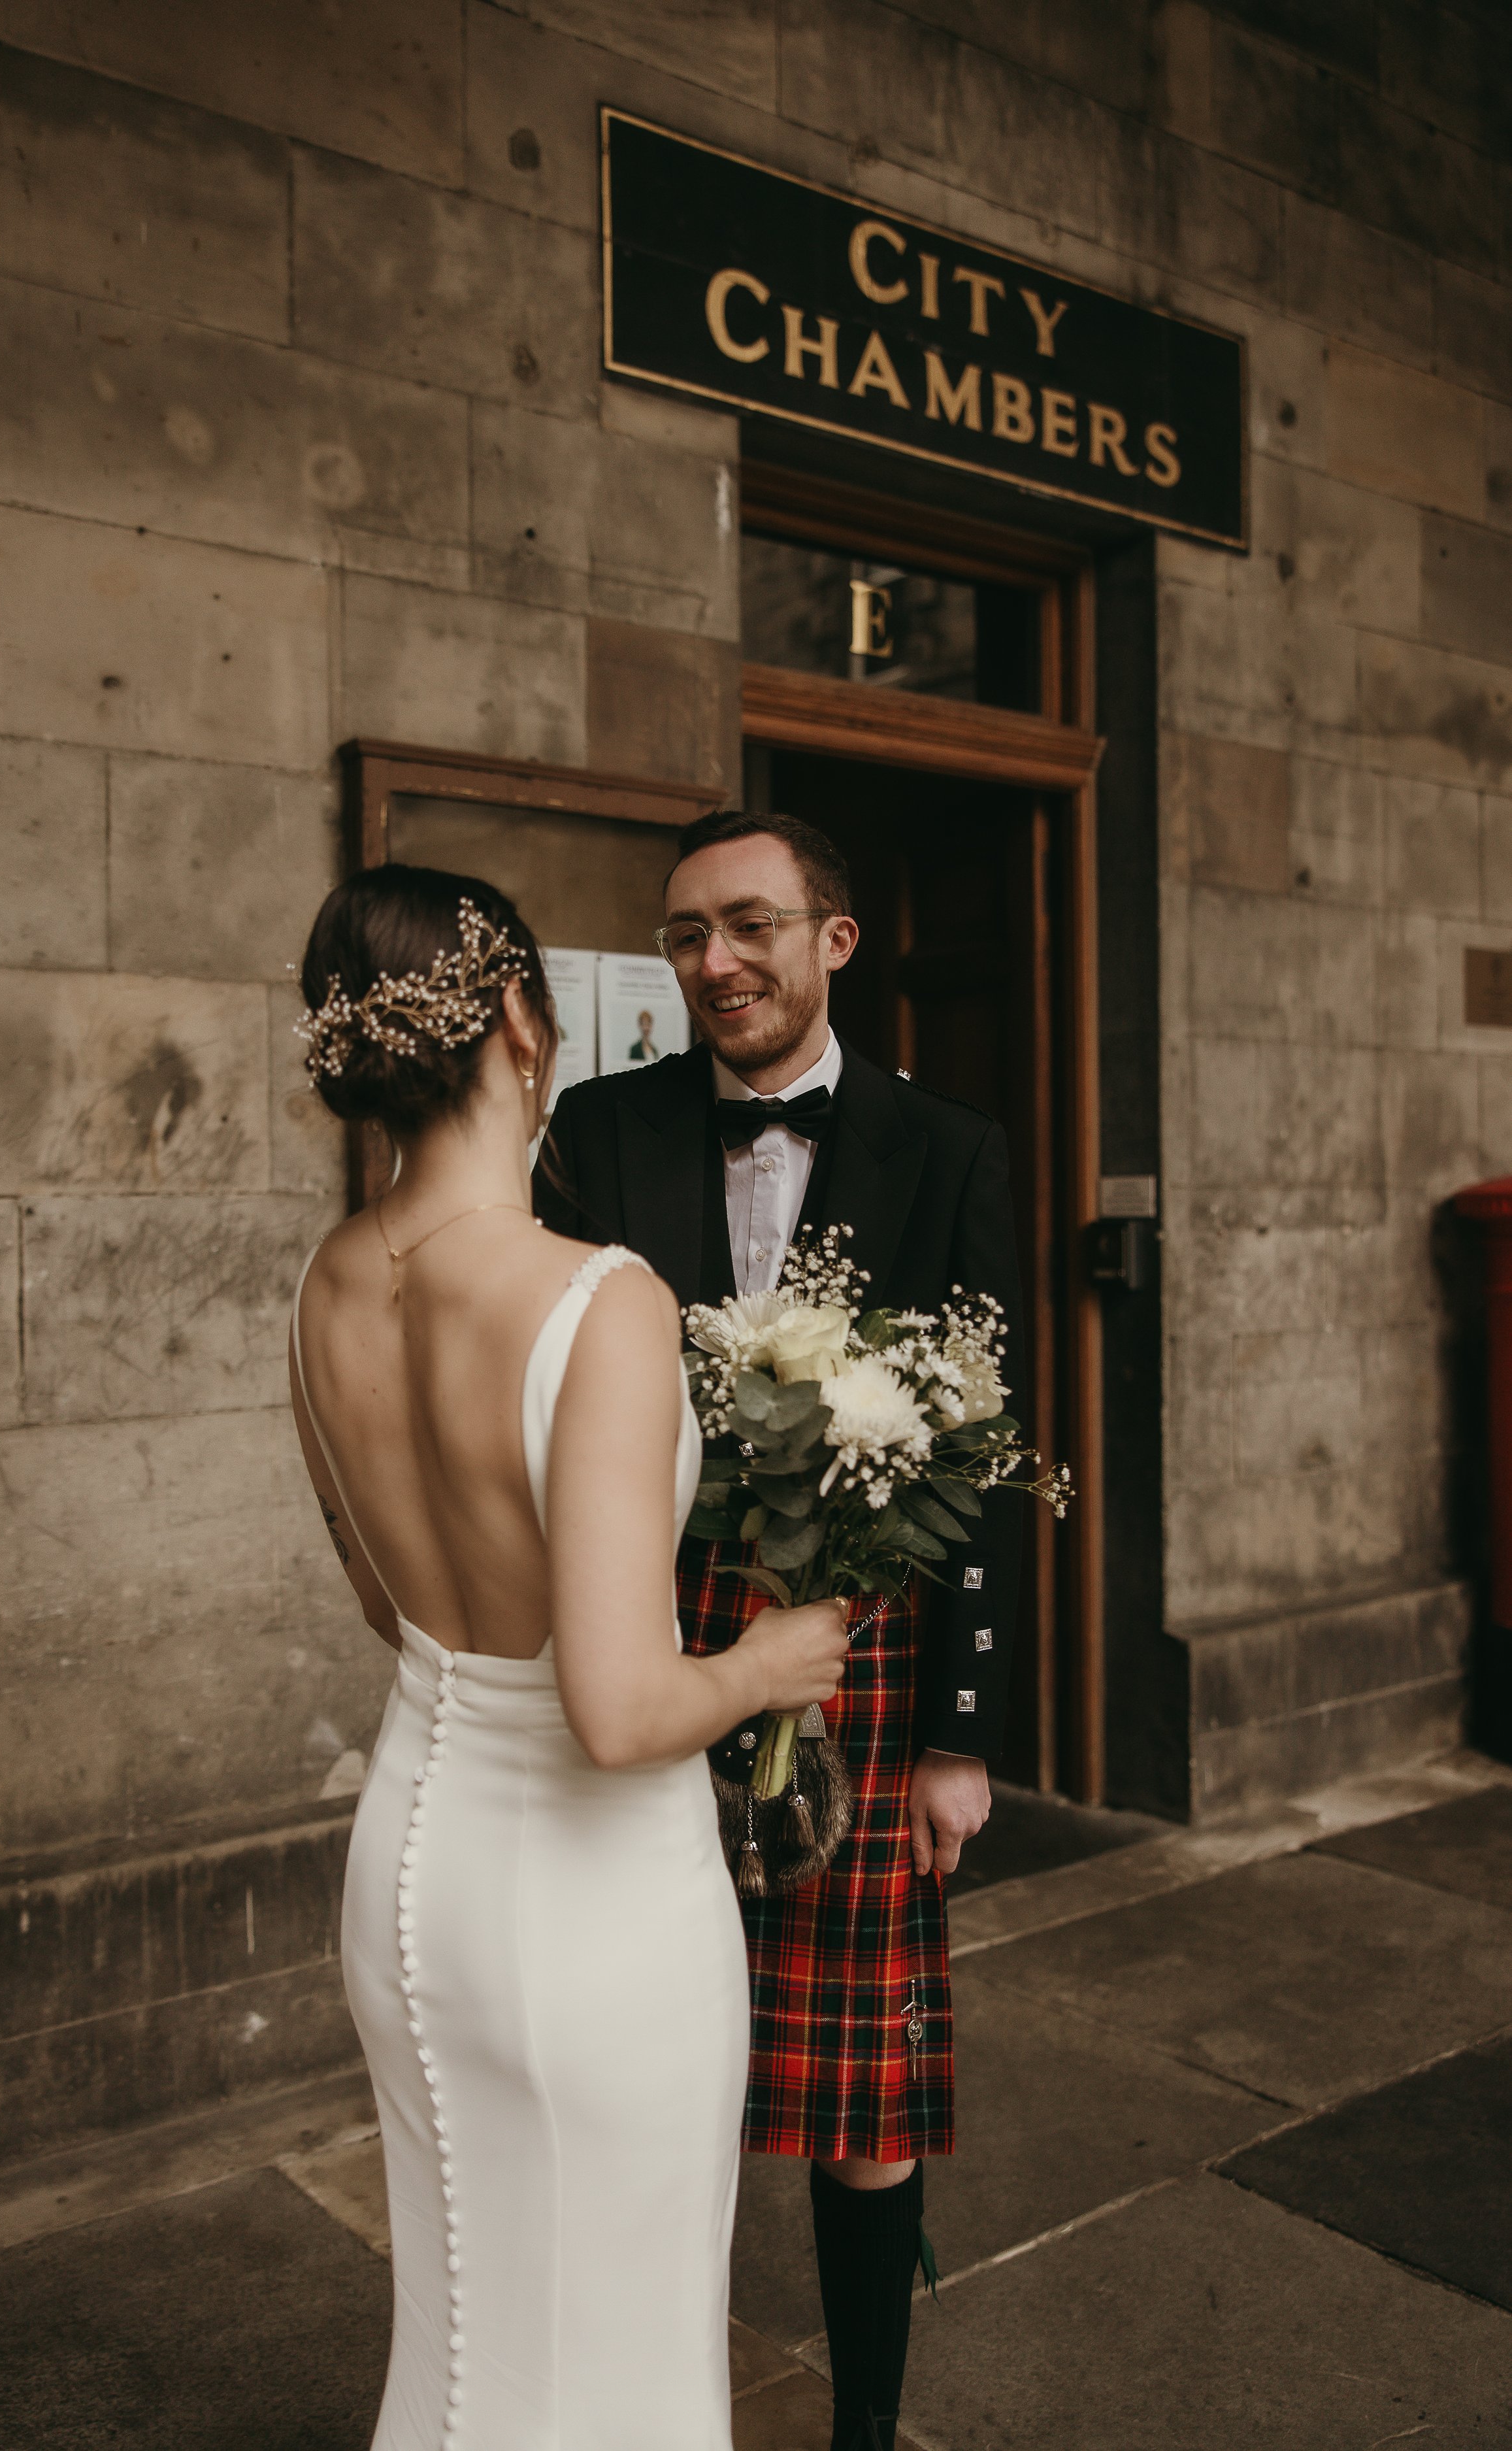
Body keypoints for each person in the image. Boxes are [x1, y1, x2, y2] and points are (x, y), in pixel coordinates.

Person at [287, 862, 850, 2450]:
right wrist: (770, 1663)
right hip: (597, 1910)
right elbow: (617, 1711)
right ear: (526, 1024)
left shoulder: (331, 1281)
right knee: (624, 2359)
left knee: (462, 2334)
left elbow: (384, 1602)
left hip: (413, 1864)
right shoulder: (598, 1302)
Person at [534, 811, 1025, 2451]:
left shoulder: (945, 1146)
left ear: (833, 939)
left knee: (856, 2088)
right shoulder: (596, 1132)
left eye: (746, 926)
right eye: (683, 937)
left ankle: (865, 2422)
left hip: (858, 1653)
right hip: (655, 1634)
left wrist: (957, 1735)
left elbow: (978, 1449)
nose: (712, 964)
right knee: (649, 2041)